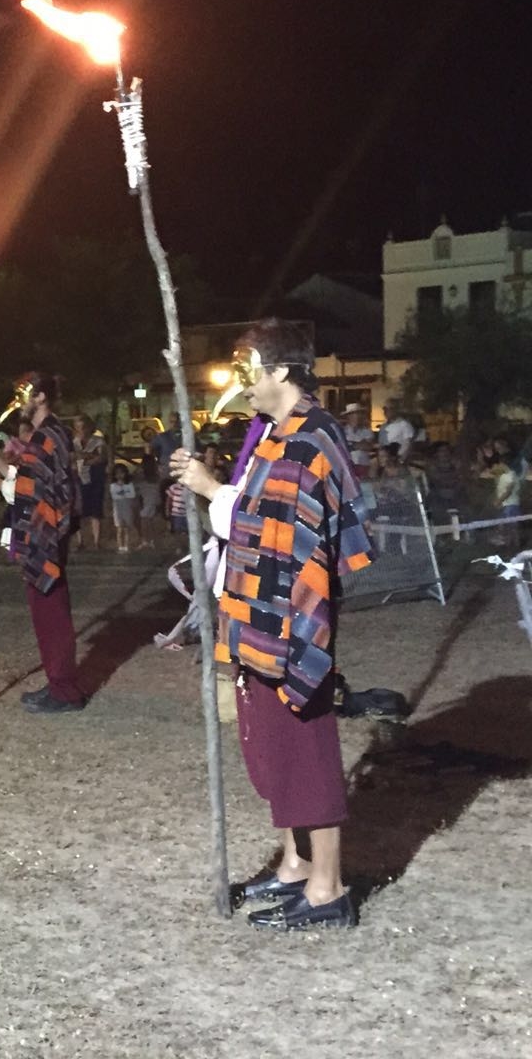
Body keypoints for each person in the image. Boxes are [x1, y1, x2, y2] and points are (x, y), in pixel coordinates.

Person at [171, 319, 372, 930]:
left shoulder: (313, 438)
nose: (244, 386)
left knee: (305, 750)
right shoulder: (273, 435)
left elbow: (286, 536)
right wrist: (206, 496)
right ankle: (294, 865)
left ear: (281, 371)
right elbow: (253, 516)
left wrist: (213, 491)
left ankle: (327, 888)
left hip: (291, 623)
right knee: (273, 747)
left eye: (249, 371)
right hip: (256, 613)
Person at [0, 373, 86, 713]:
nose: (19, 401)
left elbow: (37, 492)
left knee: (51, 613)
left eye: (24, 394)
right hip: (44, 536)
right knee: (46, 613)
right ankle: (58, 682)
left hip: (46, 539)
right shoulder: (47, 435)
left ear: (40, 397)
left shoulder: (48, 437)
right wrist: (2, 465)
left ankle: (65, 690)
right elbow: (33, 477)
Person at [73, 416, 108, 551]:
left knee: (95, 511)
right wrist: (88, 456)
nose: (81, 430)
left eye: (83, 427)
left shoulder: (98, 441)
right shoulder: (74, 442)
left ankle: (96, 542)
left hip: (95, 478)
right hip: (79, 478)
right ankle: (80, 541)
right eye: (78, 427)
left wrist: (84, 458)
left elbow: (101, 457)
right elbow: (72, 457)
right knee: (79, 511)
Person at [109, 462, 139, 552]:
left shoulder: (129, 484)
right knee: (119, 529)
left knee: (126, 528)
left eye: (121, 473)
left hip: (127, 508)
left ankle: (126, 546)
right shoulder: (113, 485)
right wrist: (125, 493)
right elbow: (115, 496)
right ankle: (120, 546)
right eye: (117, 473)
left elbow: (132, 495)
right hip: (118, 510)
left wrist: (122, 492)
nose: (119, 475)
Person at [341, 403, 374, 480]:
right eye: (353, 414)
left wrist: (350, 445)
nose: (357, 417)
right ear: (348, 416)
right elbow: (342, 446)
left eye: (358, 414)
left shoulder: (367, 431)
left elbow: (368, 446)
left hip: (363, 464)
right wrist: (358, 444)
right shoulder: (342, 431)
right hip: (348, 465)